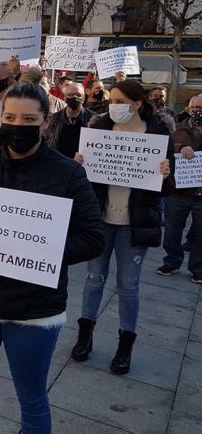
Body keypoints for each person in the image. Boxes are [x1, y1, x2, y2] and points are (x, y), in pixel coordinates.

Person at [0, 83, 104, 434]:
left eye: (28, 118)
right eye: (10, 117)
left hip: (35, 310)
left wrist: (38, 253)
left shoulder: (67, 173)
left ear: (45, 120)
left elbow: (92, 237)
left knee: (32, 396)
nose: (17, 125)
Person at [72, 80, 174, 375]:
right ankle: (84, 336)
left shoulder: (157, 133)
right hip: (101, 220)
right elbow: (86, 183)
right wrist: (81, 164)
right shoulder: (100, 129)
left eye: (119, 100)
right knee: (94, 278)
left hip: (135, 224)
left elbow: (168, 190)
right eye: (110, 100)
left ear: (137, 104)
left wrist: (165, 175)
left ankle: (124, 346)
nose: (112, 106)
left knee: (128, 286)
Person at [156, 93, 202, 283]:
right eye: (195, 109)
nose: (198, 112)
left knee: (200, 233)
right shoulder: (178, 129)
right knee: (173, 229)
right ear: (188, 110)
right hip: (178, 191)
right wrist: (181, 147)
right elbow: (168, 146)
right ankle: (172, 262)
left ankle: (197, 268)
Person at [45, 82, 95, 158]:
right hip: (58, 164)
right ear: (65, 98)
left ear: (84, 98)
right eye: (70, 95)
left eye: (78, 95)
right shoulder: (54, 118)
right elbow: (47, 143)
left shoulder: (93, 118)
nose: (74, 97)